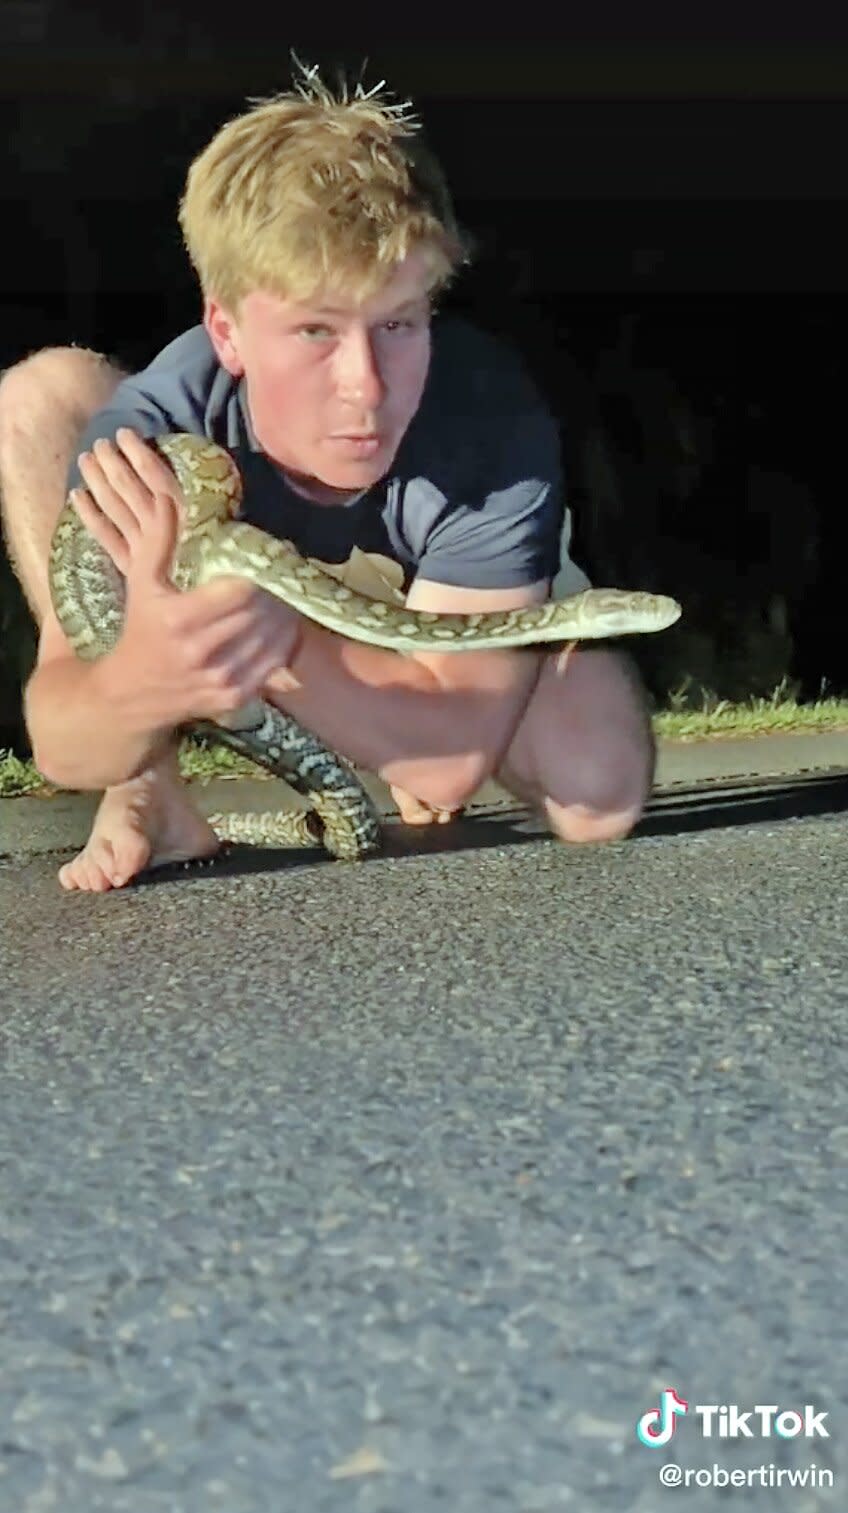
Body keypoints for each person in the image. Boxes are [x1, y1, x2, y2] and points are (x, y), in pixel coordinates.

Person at [0, 58, 654, 893]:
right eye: (314, 330)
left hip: (425, 595)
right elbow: (62, 740)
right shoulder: (155, 442)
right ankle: (151, 785)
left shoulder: (491, 425)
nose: (367, 386)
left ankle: (393, 712)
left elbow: (452, 766)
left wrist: (257, 632)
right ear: (227, 333)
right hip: (234, 558)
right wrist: (139, 678)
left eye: (398, 324)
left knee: (597, 787)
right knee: (43, 392)